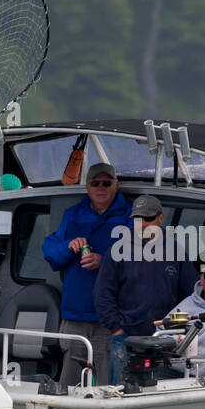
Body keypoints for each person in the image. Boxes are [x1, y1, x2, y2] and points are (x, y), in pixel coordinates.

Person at [41, 163, 132, 386]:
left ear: (116, 186)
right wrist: (68, 247)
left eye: (106, 183)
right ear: (88, 187)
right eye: (95, 183)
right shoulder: (72, 215)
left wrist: (104, 262)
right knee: (68, 385)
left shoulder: (131, 216)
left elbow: (141, 262)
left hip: (111, 318)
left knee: (108, 384)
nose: (101, 187)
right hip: (74, 316)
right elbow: (50, 253)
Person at [96, 194, 199, 383]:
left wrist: (177, 330)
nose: (142, 224)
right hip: (126, 340)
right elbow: (103, 294)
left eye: (148, 218)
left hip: (165, 341)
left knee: (161, 397)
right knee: (120, 394)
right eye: (137, 218)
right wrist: (117, 330)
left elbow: (192, 297)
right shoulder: (116, 250)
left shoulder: (176, 251)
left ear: (161, 218)